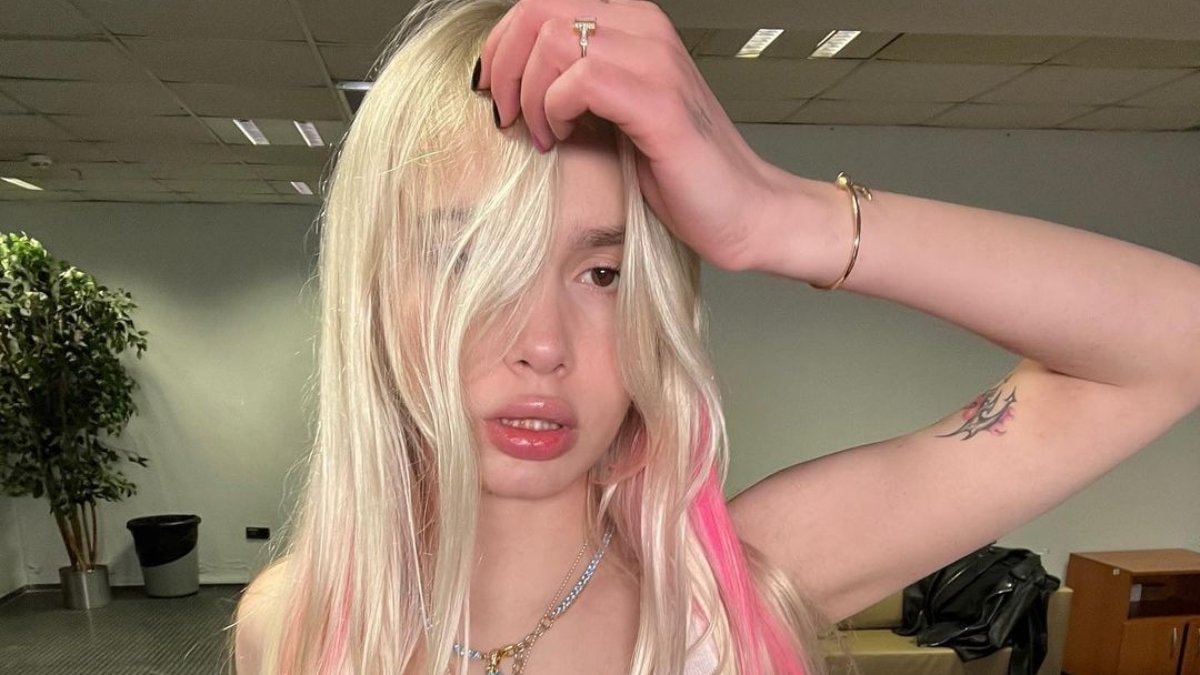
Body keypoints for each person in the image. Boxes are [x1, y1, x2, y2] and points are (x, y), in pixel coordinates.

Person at [232, 0, 1200, 673]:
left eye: (602, 274)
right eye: (468, 262)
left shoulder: (734, 587)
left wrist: (777, 215)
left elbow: (1173, 343)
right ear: (371, 295)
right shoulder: (293, 626)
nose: (542, 345)